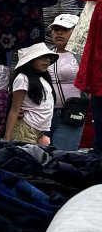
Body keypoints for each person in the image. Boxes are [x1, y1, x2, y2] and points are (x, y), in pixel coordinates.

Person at [5, 43, 57, 145]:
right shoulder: (22, 79)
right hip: (25, 128)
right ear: (30, 60)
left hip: (40, 131)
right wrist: (7, 138)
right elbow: (14, 110)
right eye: (42, 57)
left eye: (48, 57)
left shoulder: (43, 80)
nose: (47, 60)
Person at [48, 13, 85, 151]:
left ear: (76, 31)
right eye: (56, 29)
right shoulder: (43, 54)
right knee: (39, 160)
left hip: (70, 114)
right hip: (41, 115)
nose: (59, 32)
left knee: (61, 159)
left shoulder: (82, 55)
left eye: (65, 29)